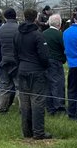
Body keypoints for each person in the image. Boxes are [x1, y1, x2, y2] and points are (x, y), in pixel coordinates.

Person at [14, 8, 52, 139]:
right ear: (36, 18)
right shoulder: (38, 35)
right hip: (36, 71)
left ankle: (27, 131)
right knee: (37, 101)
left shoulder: (17, 34)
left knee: (25, 102)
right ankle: (38, 132)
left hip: (22, 69)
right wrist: (45, 66)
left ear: (24, 17)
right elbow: (44, 56)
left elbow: (15, 54)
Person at [0, 7, 20, 113]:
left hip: (5, 59)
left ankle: (2, 107)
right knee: (19, 86)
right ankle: (22, 108)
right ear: (15, 16)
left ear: (5, 17)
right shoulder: (19, 28)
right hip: (16, 60)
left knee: (4, 85)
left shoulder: (1, 29)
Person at [43, 14, 67, 116]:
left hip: (44, 62)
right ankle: (59, 107)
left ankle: (50, 107)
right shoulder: (59, 35)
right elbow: (64, 47)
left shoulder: (43, 33)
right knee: (58, 84)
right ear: (59, 24)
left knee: (47, 84)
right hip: (56, 61)